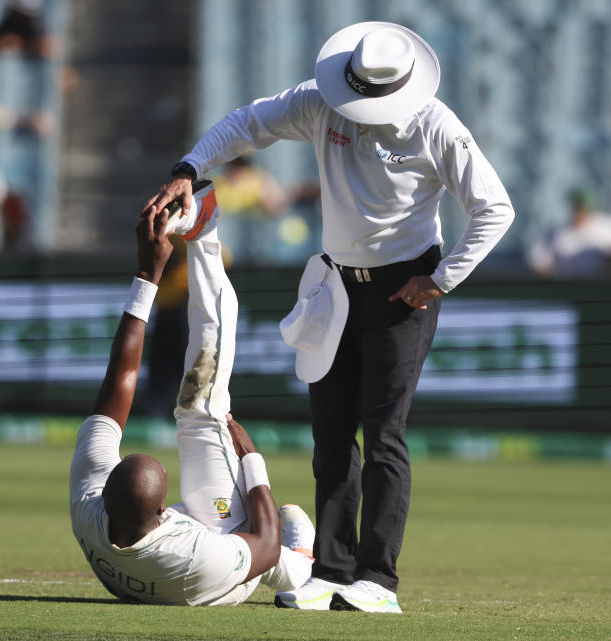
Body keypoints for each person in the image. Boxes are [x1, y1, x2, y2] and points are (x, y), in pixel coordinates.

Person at [142, 23, 514, 613]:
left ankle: (378, 581)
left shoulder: (436, 124)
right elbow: (246, 122)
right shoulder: (322, 102)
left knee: (384, 433)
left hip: (403, 292)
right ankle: (334, 570)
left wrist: (440, 279)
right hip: (336, 285)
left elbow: (494, 207)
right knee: (332, 433)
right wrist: (189, 169)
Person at [70, 183, 315, 606]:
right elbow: (264, 544)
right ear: (166, 512)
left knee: (196, 424)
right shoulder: (199, 555)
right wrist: (252, 460)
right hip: (222, 576)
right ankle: (206, 228)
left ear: (104, 496)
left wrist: (147, 275)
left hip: (164, 560)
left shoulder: (89, 507)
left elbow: (117, 386)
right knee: (202, 408)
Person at [527, 188, 611, 278]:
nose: (579, 212)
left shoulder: (610, 228)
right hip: (568, 290)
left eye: (583, 208)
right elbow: (538, 260)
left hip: (603, 287)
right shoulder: (560, 234)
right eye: (577, 208)